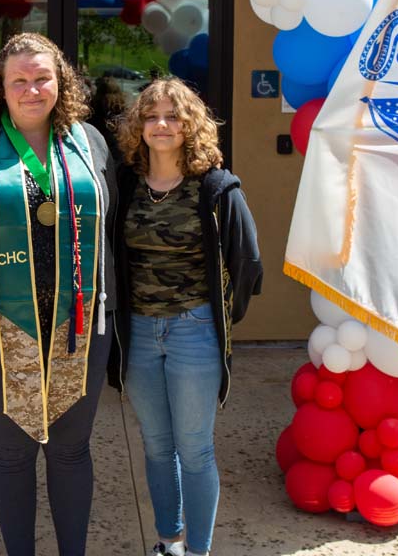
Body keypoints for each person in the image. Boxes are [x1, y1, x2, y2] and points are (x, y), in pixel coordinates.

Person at [0, 33, 117, 556]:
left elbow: (109, 230)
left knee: (71, 451)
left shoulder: (90, 143)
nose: (32, 89)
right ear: (1, 86)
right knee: (12, 454)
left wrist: (113, 322)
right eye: (20, 80)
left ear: (61, 82)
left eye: (42, 78)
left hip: (79, 325)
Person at [107, 78, 263, 556]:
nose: (161, 125)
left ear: (190, 125)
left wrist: (217, 319)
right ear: (139, 126)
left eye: (173, 116)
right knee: (157, 445)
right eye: (151, 116)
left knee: (194, 449)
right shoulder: (125, 184)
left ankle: (198, 549)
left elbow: (248, 264)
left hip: (194, 330)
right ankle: (168, 541)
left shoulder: (216, 188)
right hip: (138, 331)